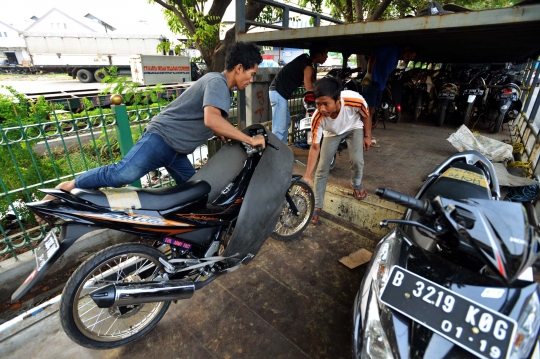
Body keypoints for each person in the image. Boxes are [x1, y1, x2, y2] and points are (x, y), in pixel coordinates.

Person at [36, 41, 265, 223]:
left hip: (177, 152)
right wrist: (249, 139)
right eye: (252, 73)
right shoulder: (217, 82)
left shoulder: (223, 88)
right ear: (238, 68)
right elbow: (211, 119)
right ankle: (66, 187)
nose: (252, 79)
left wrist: (225, 134)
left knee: (197, 194)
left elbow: (208, 121)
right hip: (160, 140)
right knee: (122, 175)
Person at [303, 77, 371, 225]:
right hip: (332, 133)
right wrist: (307, 176)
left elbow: (366, 115)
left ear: (337, 100)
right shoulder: (318, 118)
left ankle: (356, 184)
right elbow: (315, 147)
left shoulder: (355, 100)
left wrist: (367, 135)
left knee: (357, 160)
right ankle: (317, 205)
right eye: (318, 104)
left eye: (326, 104)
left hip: (354, 127)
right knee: (322, 168)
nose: (321, 109)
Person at [270, 43, 329, 143]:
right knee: (279, 127)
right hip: (278, 92)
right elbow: (309, 88)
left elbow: (314, 82)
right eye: (325, 54)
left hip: (279, 93)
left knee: (286, 123)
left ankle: (282, 149)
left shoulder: (306, 60)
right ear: (319, 55)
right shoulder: (307, 65)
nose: (327, 57)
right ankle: (277, 154)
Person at [361, 45, 416, 145]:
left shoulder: (396, 55)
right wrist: (369, 74)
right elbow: (374, 56)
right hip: (373, 82)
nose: (406, 58)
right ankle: (366, 136)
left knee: (372, 111)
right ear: (407, 49)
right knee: (368, 110)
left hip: (380, 84)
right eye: (408, 55)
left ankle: (368, 134)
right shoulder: (392, 49)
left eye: (409, 59)